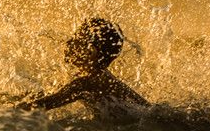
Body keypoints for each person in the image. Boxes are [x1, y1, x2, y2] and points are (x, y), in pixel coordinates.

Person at [16, 18, 150, 116]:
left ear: (91, 51)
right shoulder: (99, 78)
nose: (69, 41)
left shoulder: (86, 83)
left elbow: (39, 106)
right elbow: (50, 95)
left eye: (77, 38)